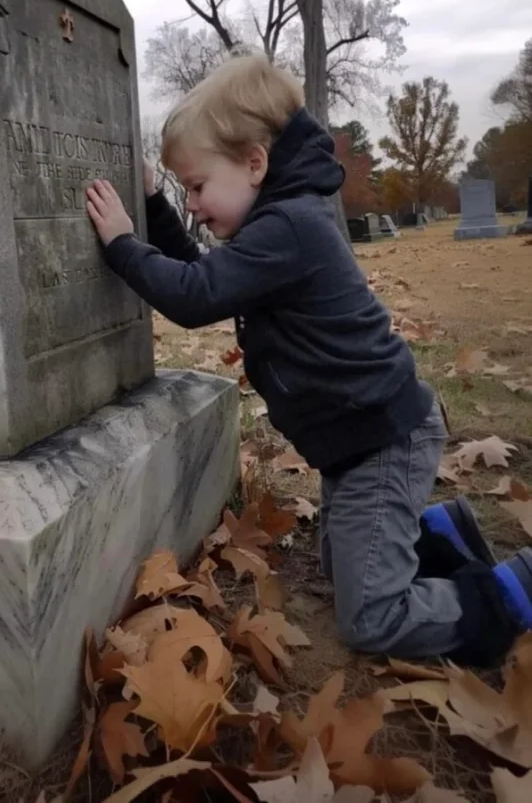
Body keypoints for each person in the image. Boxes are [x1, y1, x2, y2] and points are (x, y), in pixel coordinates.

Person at [85, 54, 532, 665]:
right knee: (337, 561)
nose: (190, 203)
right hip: (353, 439)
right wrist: (154, 206)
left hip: (381, 437)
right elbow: (198, 268)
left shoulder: (289, 228)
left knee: (371, 617)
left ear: (254, 162)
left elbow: (193, 296)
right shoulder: (275, 220)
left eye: (195, 187)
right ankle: (442, 535)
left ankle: (506, 597)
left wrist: (122, 244)